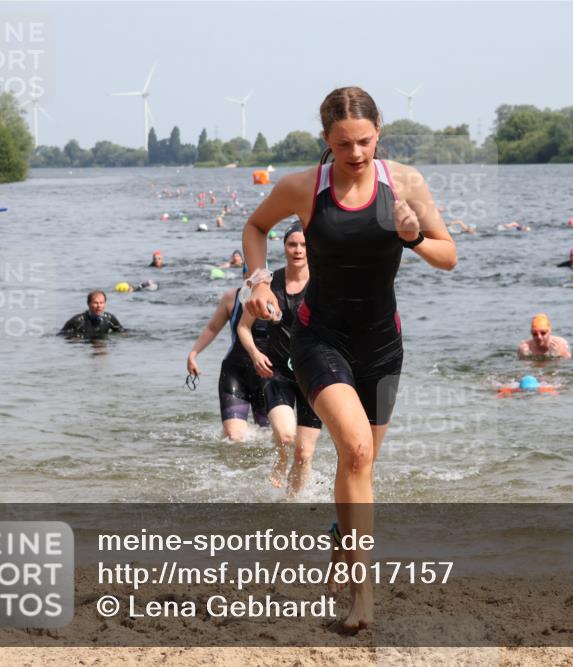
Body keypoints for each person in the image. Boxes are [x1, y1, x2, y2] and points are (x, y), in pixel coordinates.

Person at [242, 86, 457, 630]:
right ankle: (363, 600)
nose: (356, 153)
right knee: (356, 453)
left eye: (364, 141)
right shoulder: (303, 188)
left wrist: (411, 236)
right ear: (326, 142)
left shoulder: (405, 183)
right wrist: (257, 280)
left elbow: (448, 256)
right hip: (319, 340)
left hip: (383, 346)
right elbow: (255, 227)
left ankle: (342, 537)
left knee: (361, 465)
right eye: (343, 145)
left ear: (378, 133)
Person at [238, 224, 322, 498]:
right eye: (292, 245)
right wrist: (255, 353)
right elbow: (243, 327)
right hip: (277, 373)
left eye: (303, 245)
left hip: (313, 374)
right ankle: (281, 457)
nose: (298, 250)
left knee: (305, 453)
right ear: (284, 247)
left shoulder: (322, 283)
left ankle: (290, 504)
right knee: (286, 437)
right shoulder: (268, 284)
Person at [187, 288, 270, 441]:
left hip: (269, 376)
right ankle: (232, 465)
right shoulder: (232, 297)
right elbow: (212, 328)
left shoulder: (276, 295)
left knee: (271, 437)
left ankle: (265, 466)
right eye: (247, 269)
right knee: (234, 436)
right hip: (235, 373)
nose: (251, 274)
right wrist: (193, 354)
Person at [60, 291, 124, 339]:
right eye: (95, 303)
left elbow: (122, 331)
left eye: (101, 303)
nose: (99, 306)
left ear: (105, 304)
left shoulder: (109, 319)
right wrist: (73, 338)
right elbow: (61, 335)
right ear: (88, 304)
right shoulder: (77, 321)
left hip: (102, 343)